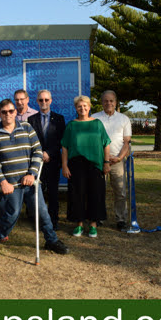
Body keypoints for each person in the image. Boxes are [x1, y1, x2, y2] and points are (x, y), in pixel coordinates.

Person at [0, 99, 69, 255]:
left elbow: (37, 152)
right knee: (13, 213)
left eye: (11, 111)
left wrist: (32, 174)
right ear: (0, 114)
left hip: (30, 181)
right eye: (4, 112)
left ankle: (51, 240)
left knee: (42, 212)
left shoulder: (27, 127)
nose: (8, 114)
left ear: (15, 112)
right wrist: (2, 182)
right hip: (10, 184)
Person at [61, 95, 111, 238]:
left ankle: (93, 225)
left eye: (85, 106)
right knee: (77, 194)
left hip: (95, 164)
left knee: (96, 193)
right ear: (76, 108)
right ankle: (79, 224)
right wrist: (64, 166)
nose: (82, 108)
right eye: (79, 106)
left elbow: (106, 143)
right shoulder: (71, 125)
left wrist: (106, 163)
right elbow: (64, 147)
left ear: (89, 107)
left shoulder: (97, 124)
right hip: (76, 164)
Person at [92, 91, 132, 231]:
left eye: (111, 101)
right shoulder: (94, 118)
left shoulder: (124, 119)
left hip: (117, 161)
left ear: (116, 102)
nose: (108, 103)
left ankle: (121, 219)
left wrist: (120, 158)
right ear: (102, 102)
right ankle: (98, 217)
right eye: (105, 101)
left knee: (120, 192)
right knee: (97, 191)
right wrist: (103, 160)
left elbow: (126, 142)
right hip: (99, 161)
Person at [28, 90, 65, 230]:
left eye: (46, 100)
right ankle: (39, 222)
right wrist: (40, 154)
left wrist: (49, 153)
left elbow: (61, 140)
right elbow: (30, 141)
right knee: (37, 194)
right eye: (41, 100)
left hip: (53, 161)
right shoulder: (31, 120)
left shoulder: (59, 118)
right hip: (37, 163)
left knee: (53, 193)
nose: (44, 102)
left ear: (51, 100)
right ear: (37, 101)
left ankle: (53, 221)